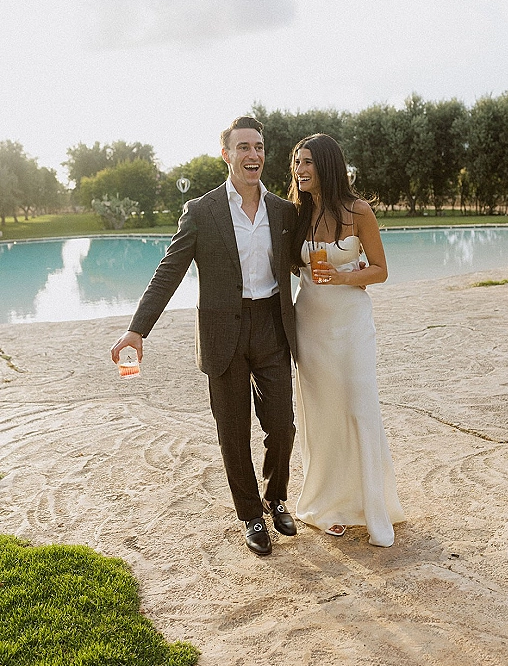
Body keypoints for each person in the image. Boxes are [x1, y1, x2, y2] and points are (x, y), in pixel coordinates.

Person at [110, 115, 298, 557]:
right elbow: (168, 273)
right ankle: (251, 514)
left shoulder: (284, 212)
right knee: (233, 432)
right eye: (244, 147)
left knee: (283, 427)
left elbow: (306, 260)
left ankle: (275, 497)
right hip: (222, 335)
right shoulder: (202, 211)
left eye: (259, 147)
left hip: (272, 327)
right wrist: (137, 330)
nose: (253, 155)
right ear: (226, 154)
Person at [289, 133, 405, 546]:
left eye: (307, 163)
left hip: (351, 323)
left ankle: (374, 508)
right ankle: (325, 506)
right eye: (296, 163)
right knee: (322, 414)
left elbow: (380, 270)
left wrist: (343, 276)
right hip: (311, 326)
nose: (300, 170)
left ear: (327, 166)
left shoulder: (359, 212)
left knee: (359, 404)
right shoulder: (296, 214)